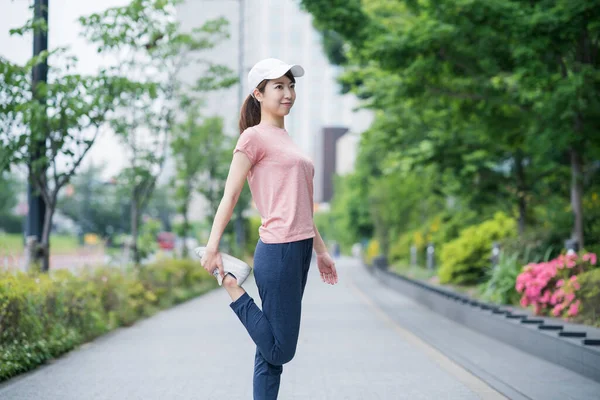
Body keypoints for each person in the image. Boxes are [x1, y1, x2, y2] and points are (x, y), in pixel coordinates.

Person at [199, 58, 339, 400]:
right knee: (280, 350)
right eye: (279, 86)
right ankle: (230, 284)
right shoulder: (253, 138)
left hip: (300, 249)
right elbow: (230, 195)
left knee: (268, 354)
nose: (288, 93)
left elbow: (303, 206)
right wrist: (213, 247)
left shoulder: (286, 139)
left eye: (291, 86)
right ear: (258, 94)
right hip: (278, 250)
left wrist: (321, 251)